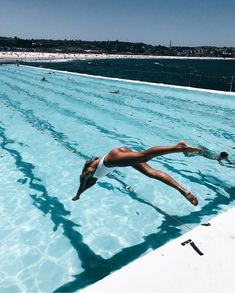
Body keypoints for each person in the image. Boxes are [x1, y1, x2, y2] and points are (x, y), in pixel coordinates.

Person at [72, 141, 202, 206]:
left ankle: (177, 148)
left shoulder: (87, 174)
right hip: (117, 153)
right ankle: (184, 191)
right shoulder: (91, 171)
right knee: (152, 172)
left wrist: (78, 195)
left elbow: (82, 186)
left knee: (144, 156)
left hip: (112, 159)